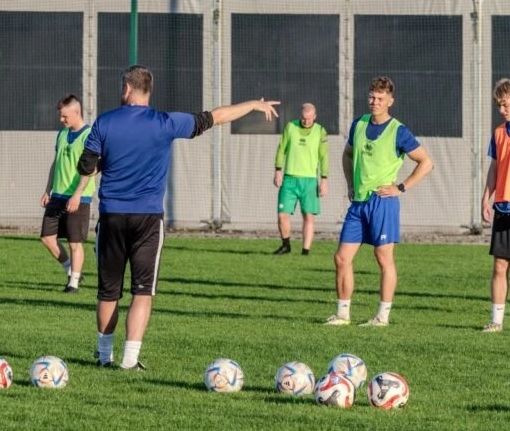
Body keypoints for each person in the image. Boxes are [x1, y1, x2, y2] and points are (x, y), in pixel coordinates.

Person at [78, 65, 280, 369]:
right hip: (148, 219)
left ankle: (104, 356)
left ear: (127, 89)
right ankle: (130, 360)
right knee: (142, 290)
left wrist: (111, 160)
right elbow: (215, 117)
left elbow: (86, 166)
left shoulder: (104, 122)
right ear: (148, 91)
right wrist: (252, 104)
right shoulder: (165, 122)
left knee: (109, 291)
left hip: (111, 216)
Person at [325, 76, 432, 327]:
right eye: (372, 97)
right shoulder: (359, 124)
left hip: (383, 202)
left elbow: (426, 162)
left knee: (383, 259)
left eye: (380, 98)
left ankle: (382, 317)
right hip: (358, 203)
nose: (375, 102)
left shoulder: (399, 131)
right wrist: (350, 184)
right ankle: (342, 315)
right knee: (341, 258)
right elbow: (347, 154)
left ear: (390, 101)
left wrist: (400, 187)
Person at [40, 94, 96, 294]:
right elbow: (56, 163)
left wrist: (77, 194)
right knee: (47, 238)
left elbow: (91, 169)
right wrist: (48, 190)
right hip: (57, 195)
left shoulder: (89, 136)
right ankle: (71, 270)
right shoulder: (62, 134)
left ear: (77, 112)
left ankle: (73, 284)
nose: (61, 119)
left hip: (78, 198)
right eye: (60, 116)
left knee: (74, 242)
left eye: (65, 116)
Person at [272, 102, 329, 255]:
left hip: (309, 181)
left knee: (308, 216)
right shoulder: (291, 127)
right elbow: (281, 149)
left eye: (309, 118)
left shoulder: (320, 131)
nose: (306, 121)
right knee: (282, 214)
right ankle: (286, 245)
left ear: (315, 116)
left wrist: (324, 180)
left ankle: (305, 251)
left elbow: (324, 156)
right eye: (304, 118)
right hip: (289, 179)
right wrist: (278, 170)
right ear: (300, 116)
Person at [480, 78, 510, 332]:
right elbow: (494, 168)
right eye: (499, 105)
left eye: (505, 104)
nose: (501, 109)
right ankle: (496, 321)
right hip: (503, 208)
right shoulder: (499, 133)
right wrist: (486, 198)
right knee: (500, 265)